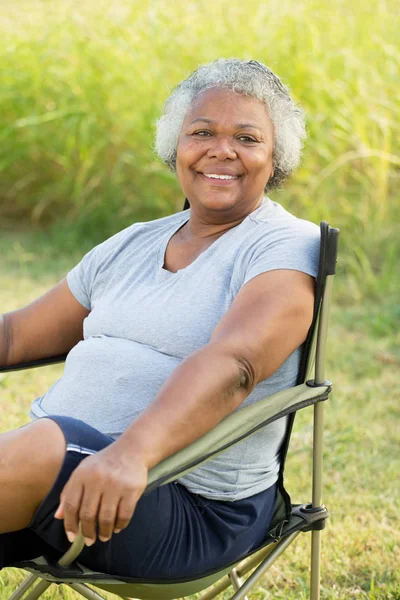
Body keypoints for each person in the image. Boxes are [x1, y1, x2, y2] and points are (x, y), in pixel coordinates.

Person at [0, 58, 320, 579]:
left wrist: (130, 455)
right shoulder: (132, 242)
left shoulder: (284, 245)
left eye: (247, 137)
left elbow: (236, 362)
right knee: (43, 447)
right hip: (57, 485)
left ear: (275, 156)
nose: (222, 149)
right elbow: (15, 334)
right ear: (176, 147)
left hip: (179, 502)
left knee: (44, 443)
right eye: (201, 132)